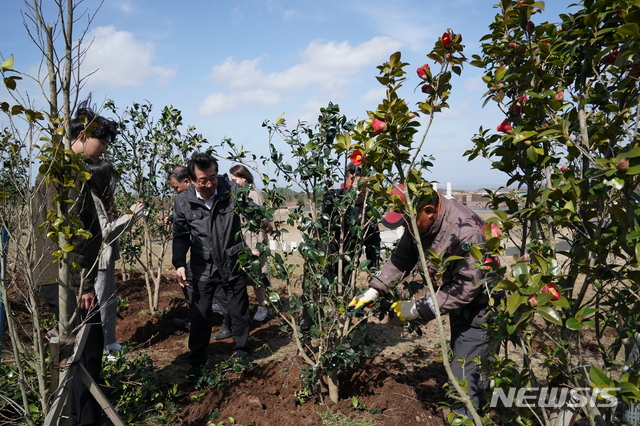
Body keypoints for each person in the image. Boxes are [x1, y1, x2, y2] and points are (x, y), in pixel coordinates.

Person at [348, 185, 497, 418]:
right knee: (464, 359)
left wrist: (419, 308)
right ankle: (471, 406)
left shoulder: (465, 232)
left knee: (468, 366)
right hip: (458, 300)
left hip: (482, 302)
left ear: (428, 210)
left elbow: (467, 288)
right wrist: (375, 290)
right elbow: (403, 256)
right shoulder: (419, 222)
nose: (406, 228)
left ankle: (465, 417)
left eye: (408, 221)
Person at [33, 99, 117, 426]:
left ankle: (83, 413)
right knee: (87, 349)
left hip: (60, 278)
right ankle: (84, 418)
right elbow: (69, 236)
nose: (105, 149)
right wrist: (82, 283)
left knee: (80, 348)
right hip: (66, 280)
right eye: (103, 141)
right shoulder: (66, 175)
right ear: (83, 135)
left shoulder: (59, 170)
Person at [172, 153, 252, 377]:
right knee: (200, 314)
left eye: (212, 178)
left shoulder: (231, 190)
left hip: (232, 260)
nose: (208, 184)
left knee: (239, 311)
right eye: (202, 180)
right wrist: (179, 263)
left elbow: (250, 207)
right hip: (202, 266)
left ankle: (241, 351)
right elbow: (180, 235)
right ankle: (197, 359)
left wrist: (262, 219)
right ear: (191, 179)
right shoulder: (183, 201)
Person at [88, 161, 145, 359]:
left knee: (109, 302)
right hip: (99, 262)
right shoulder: (93, 200)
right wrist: (131, 215)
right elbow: (106, 233)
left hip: (106, 260)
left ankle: (109, 341)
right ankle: (102, 348)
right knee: (102, 304)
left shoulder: (98, 199)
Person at [228, 164, 270, 322]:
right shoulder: (240, 194)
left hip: (254, 242)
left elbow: (261, 221)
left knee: (257, 277)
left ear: (244, 178)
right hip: (244, 241)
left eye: (235, 179)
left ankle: (262, 308)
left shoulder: (253, 194)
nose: (232, 182)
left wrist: (258, 246)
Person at [164, 166, 195, 331]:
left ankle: (195, 319)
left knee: (189, 278)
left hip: (205, 248)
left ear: (187, 181)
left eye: (176, 187)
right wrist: (172, 218)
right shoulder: (188, 196)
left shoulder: (186, 197)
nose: (176, 191)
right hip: (198, 246)